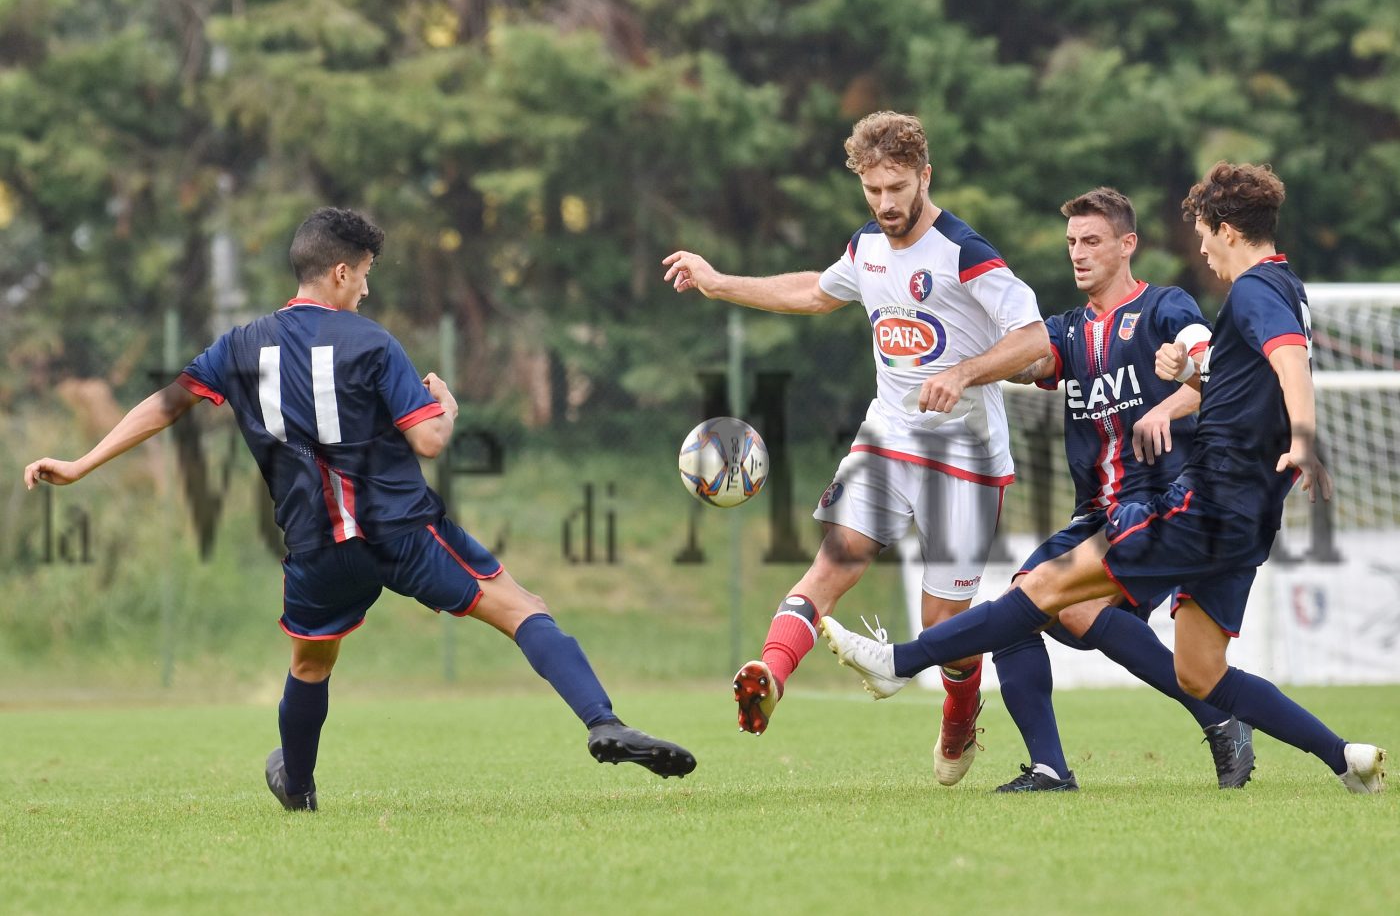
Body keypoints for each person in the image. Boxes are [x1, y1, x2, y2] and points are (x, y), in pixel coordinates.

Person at [24, 207, 696, 811]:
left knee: (311, 665)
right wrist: (447, 406)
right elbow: (429, 440)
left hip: (316, 546)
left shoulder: (240, 346)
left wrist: (82, 462)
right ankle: (602, 721)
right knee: (524, 610)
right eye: (366, 274)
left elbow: (166, 404)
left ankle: (298, 784)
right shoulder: (371, 342)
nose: (367, 289)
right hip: (401, 531)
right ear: (341, 272)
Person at [821, 162, 1386, 794]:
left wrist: (1281, 429)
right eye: (1072, 242)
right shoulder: (1087, 326)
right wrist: (961, 355)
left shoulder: (1207, 298)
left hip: (1185, 502)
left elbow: (1277, 360)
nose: (1200, 249)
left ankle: (900, 663)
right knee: (1197, 670)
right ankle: (1344, 757)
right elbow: (1214, 373)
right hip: (1236, 518)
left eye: (1092, 240)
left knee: (1039, 591)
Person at [663, 111, 1050, 786]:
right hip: (887, 442)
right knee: (833, 565)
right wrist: (719, 281)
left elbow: (1035, 337)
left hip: (965, 460)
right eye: (874, 190)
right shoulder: (867, 246)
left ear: (925, 176)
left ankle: (960, 713)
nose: (886, 203)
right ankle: (769, 675)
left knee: (943, 629)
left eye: (898, 187)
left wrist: (963, 372)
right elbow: (814, 292)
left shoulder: (965, 252)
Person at [993, 187, 1252, 792]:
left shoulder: (1164, 306)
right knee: (1015, 612)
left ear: (1127, 244)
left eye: (1091, 241)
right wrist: (974, 357)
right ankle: (1051, 768)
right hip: (1096, 514)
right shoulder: (1068, 329)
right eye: (1071, 243)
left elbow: (1211, 364)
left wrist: (1173, 401)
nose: (1078, 253)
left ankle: (1216, 714)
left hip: (1162, 505)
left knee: (1062, 605)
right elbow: (1030, 363)